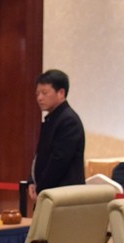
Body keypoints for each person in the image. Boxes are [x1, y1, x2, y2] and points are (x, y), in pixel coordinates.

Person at [28, 69, 86, 204]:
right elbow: (40, 156)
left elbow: (59, 161)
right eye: (37, 94)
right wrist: (32, 181)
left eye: (44, 93)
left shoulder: (68, 120)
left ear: (61, 93)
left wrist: (40, 189)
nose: (39, 98)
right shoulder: (52, 119)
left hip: (63, 195)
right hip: (50, 193)